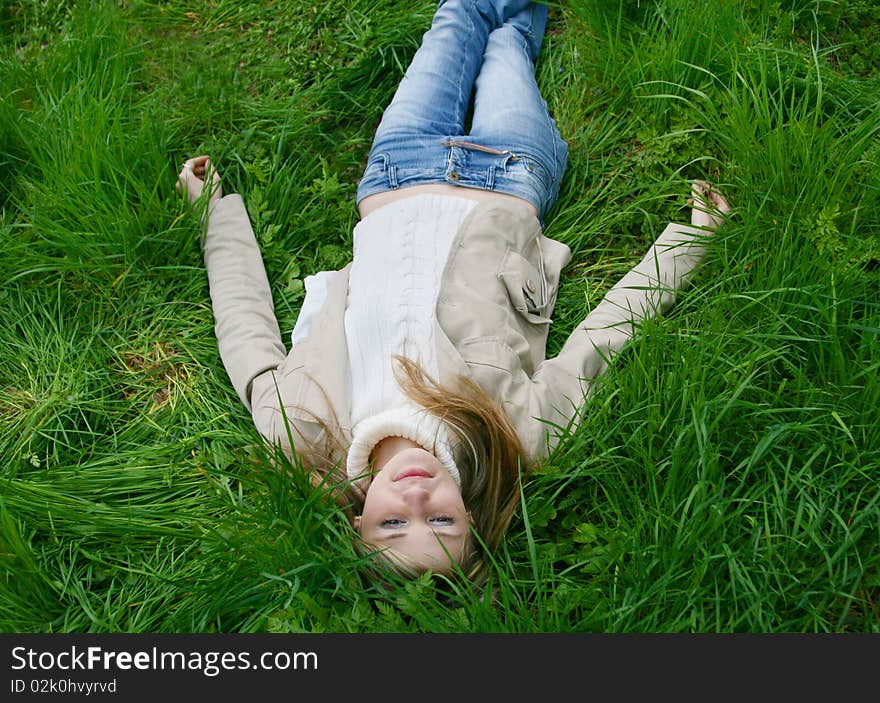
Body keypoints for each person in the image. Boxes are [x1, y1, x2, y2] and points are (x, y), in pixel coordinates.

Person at [176, 0, 730, 583]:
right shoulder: (511, 436)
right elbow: (600, 343)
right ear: (470, 516)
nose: (416, 504)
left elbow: (244, 325)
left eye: (393, 527)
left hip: (396, 175)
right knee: (509, 41)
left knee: (457, 20)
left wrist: (212, 213)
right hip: (509, 177)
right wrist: (689, 244)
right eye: (441, 523)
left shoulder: (300, 431)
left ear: (357, 522)